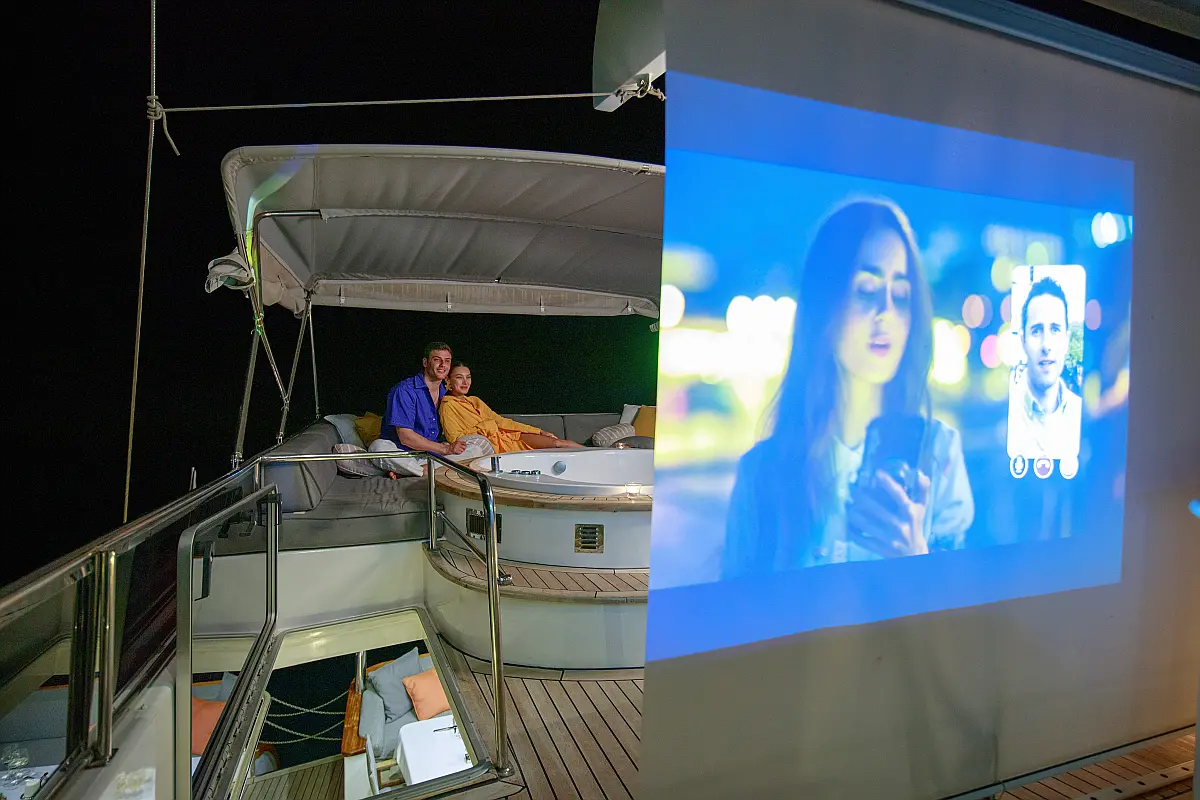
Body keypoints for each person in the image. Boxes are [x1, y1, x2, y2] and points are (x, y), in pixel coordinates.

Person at [723, 199, 975, 578]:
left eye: (901, 295)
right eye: (866, 289)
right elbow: (736, 604)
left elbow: (960, 603)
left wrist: (915, 559)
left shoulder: (939, 454)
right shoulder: (763, 472)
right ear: (825, 303)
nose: (886, 312)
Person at [1007, 276, 1082, 459]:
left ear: (1066, 340)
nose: (1046, 345)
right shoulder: (1007, 416)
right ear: (1023, 340)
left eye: (1055, 330)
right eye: (1036, 331)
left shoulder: (1080, 413)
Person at [439, 363, 583, 452]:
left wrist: (539, 431)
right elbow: (455, 438)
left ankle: (594, 454)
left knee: (558, 443)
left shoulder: (474, 400)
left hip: (509, 436)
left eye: (468, 377)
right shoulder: (448, 405)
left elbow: (501, 421)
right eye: (459, 377)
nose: (465, 382)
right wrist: (486, 426)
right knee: (557, 446)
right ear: (448, 380)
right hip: (491, 446)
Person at [371, 343, 467, 474]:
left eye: (447, 361)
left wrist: (451, 446)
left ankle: (406, 472)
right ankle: (422, 471)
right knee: (378, 447)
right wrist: (445, 449)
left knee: (476, 448)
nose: (442, 365)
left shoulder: (447, 394)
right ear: (425, 362)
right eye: (437, 360)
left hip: (432, 454)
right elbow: (405, 437)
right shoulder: (405, 390)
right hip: (403, 454)